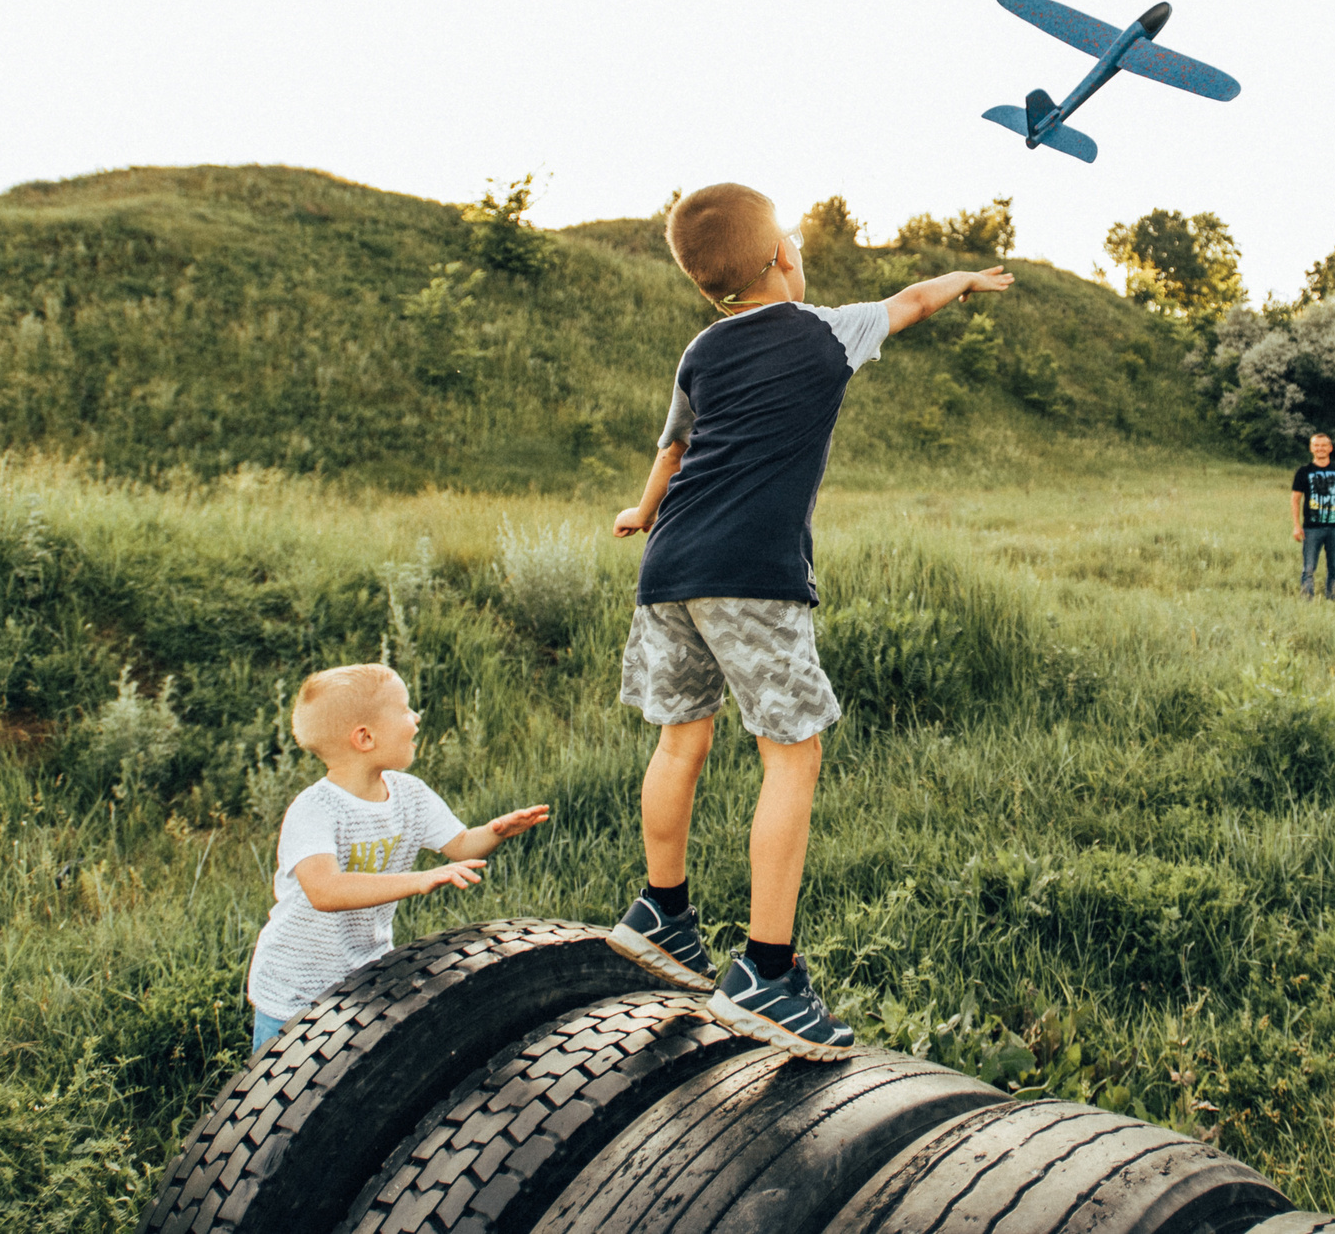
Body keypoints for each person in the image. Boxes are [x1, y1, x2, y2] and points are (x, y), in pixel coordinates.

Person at [608, 182, 1012, 1059]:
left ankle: (662, 914)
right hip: (752, 577)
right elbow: (910, 302)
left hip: (669, 566)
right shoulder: (827, 329)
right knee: (793, 755)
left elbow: (673, 448)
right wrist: (964, 281)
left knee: (681, 740)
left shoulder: (702, 348)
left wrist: (642, 512)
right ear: (784, 257)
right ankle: (766, 970)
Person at [245, 662, 551, 1052]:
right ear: (365, 737)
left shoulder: (410, 795)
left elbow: (459, 845)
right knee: (277, 1100)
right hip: (294, 987)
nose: (417, 717)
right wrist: (418, 880)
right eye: (405, 709)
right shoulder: (314, 809)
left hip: (362, 976)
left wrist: (494, 831)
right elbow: (325, 890)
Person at [1289, 432, 1335, 600]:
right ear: (1311, 448)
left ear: (1330, 448)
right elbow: (1295, 500)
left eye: (1324, 445)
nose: (1320, 449)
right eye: (1316, 445)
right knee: (1309, 568)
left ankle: (1332, 599)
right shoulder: (1304, 471)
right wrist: (1296, 525)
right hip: (1311, 527)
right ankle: (1307, 599)